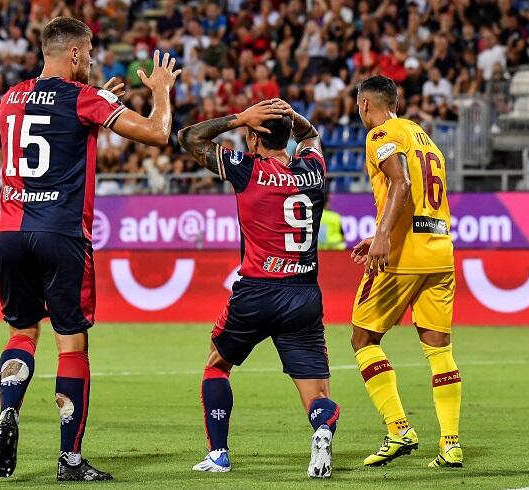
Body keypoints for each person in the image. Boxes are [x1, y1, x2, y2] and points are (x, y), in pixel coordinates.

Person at [0, 17, 180, 482]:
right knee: (71, 343)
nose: (93, 60)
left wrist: (99, 105)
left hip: (10, 231)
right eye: (90, 52)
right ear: (74, 53)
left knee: (22, 331)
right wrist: (161, 91)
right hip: (61, 233)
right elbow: (157, 133)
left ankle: (9, 409)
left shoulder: (11, 98)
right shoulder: (84, 99)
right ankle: (70, 460)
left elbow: (56, 128)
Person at [178, 99, 339, 478]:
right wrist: (290, 117)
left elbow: (188, 137)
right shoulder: (313, 170)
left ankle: (218, 454)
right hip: (303, 294)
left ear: (253, 137)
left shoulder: (247, 169)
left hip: (257, 291)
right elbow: (311, 134)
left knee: (217, 364)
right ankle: (320, 431)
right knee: (317, 394)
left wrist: (240, 117)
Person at [350, 76, 462, 469]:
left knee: (363, 338)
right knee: (439, 350)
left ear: (365, 105)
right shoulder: (423, 137)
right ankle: (450, 444)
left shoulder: (381, 133)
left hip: (402, 258)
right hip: (439, 253)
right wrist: (379, 231)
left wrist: (383, 237)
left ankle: (399, 429)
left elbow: (401, 182)